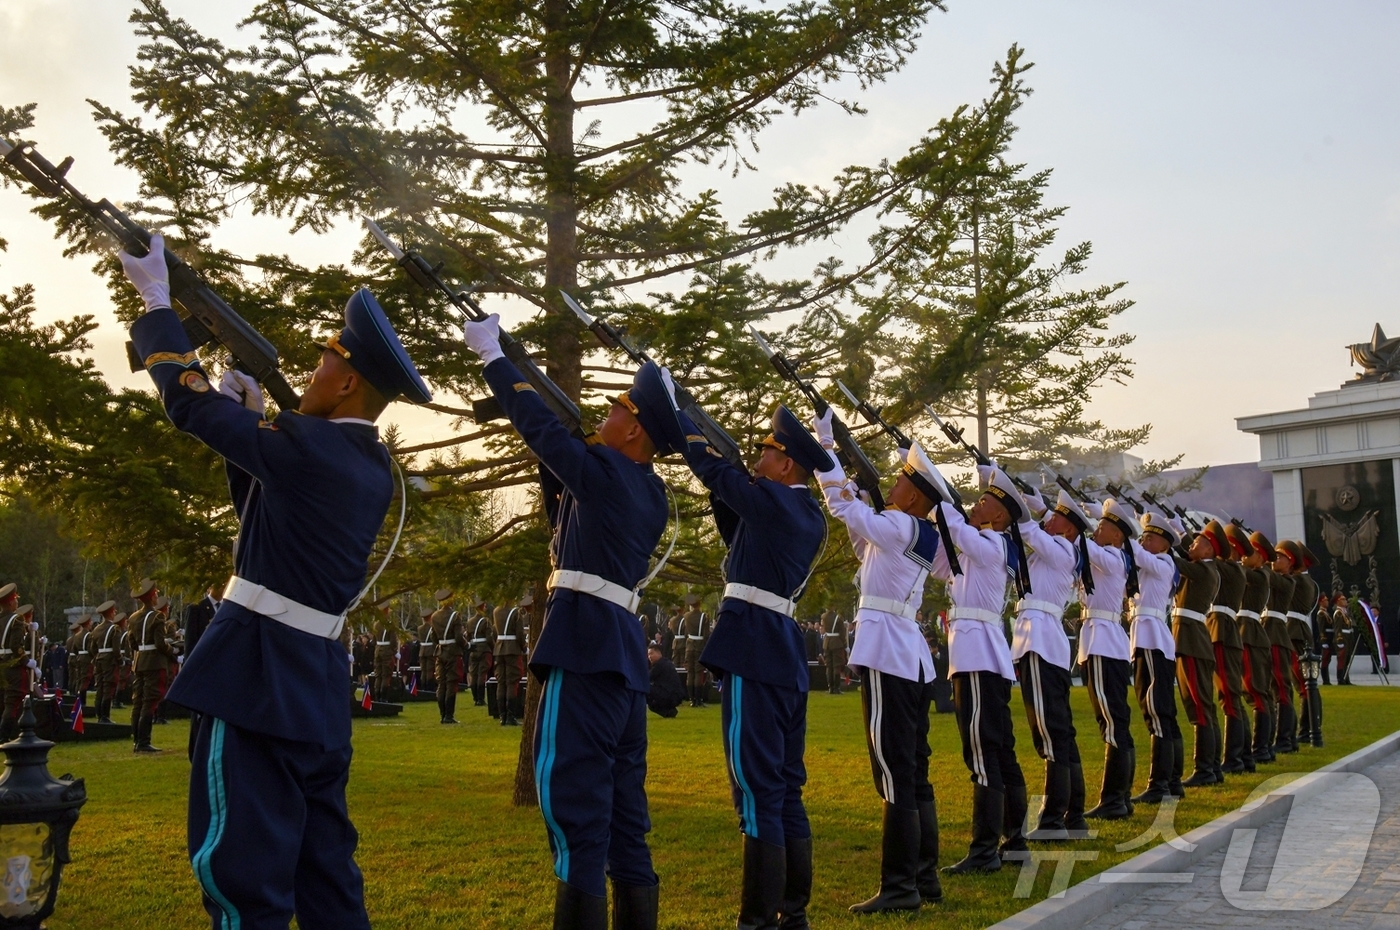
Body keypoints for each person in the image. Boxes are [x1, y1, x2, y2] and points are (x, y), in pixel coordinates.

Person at [122, 234, 432, 928]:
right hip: (313, 687)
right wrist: (259, 417)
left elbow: (191, 407)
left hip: (257, 678)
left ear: (348, 382)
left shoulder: (309, 446)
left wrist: (154, 303)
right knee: (326, 883)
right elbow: (278, 519)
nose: (314, 372)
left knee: (241, 879)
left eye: (325, 363)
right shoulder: (367, 467)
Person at [462, 308, 684, 930]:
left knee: (574, 822)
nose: (606, 415)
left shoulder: (612, 473)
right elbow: (567, 509)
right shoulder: (649, 490)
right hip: (617, 658)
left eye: (619, 410)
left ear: (636, 433)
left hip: (585, 652)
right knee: (623, 827)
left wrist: (494, 359)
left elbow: (544, 434)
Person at [677, 402, 829, 930]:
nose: (759, 457)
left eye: (766, 451)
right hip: (779, 650)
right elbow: (737, 520)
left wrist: (688, 431)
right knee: (785, 785)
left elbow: (718, 476)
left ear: (785, 466)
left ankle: (757, 920)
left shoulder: (776, 502)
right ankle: (794, 913)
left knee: (754, 785)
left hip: (752, 646)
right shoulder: (807, 513)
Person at [816, 438, 949, 911]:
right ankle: (924, 878)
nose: (893, 486)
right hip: (908, 654)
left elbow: (836, 505)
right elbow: (861, 543)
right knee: (914, 768)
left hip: (887, 653)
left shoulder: (896, 525)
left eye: (900, 483)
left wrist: (826, 451)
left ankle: (899, 888)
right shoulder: (919, 533)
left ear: (915, 497)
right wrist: (861, 493)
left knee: (892, 771)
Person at [934, 464, 1031, 872]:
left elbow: (954, 528)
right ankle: (1014, 841)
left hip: (977, 658)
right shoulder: (980, 546)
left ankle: (984, 850)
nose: (977, 504)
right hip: (979, 657)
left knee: (982, 752)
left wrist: (933, 488)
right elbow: (941, 561)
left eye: (985, 501)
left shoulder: (991, 545)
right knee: (999, 750)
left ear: (1000, 516)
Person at [1070, 498, 1139, 821]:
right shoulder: (1113, 556)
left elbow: (1081, 541)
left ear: (1117, 537)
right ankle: (1121, 798)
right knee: (1117, 722)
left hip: (1101, 643)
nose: (1096, 531)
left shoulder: (1112, 556)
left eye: (1103, 527)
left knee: (1112, 723)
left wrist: (1070, 519)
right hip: (1105, 642)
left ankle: (1114, 799)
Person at [1129, 512, 1185, 802]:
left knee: (1157, 711)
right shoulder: (1155, 563)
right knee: (1163, 711)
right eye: (1143, 535)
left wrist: (1120, 527)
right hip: (1147, 638)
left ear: (1164, 545)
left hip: (1152, 640)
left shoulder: (1163, 563)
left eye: (1150, 537)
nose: (1143, 540)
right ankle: (1173, 781)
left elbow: (1137, 554)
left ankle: (1159, 784)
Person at [1172, 523, 1222, 786]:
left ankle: (1205, 769)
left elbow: (1175, 559)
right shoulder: (1206, 568)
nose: (1191, 544)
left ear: (1210, 548)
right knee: (1203, 705)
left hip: (1190, 639)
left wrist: (1162, 538)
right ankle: (1212, 767)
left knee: (1199, 705)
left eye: (1197, 542)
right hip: (1191, 638)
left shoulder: (1203, 569)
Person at [1206, 522, 1251, 775]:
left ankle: (1234, 758)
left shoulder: (1230, 569)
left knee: (1229, 697)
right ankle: (1241, 756)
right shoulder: (1230, 569)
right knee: (1230, 696)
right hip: (1220, 630)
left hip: (1222, 632)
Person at [1279, 540, 1321, 746]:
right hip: (1294, 632)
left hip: (1295, 634)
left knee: (1304, 686)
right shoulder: (1303, 581)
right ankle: (1308, 729)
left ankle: (1307, 730)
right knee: (1303, 685)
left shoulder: (1301, 581)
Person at [128, 578, 174, 753]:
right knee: (150, 701)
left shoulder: (133, 617)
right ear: (153, 596)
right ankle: (144, 741)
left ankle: (136, 740)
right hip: (154, 662)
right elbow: (160, 643)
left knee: (138, 701)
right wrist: (172, 651)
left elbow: (132, 643)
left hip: (139, 661)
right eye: (156, 594)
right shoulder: (157, 616)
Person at [0, 600, 35, 741]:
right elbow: (16, 646)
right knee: (13, 701)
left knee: (2, 702)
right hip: (12, 666)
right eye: (15, 599)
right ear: (9, 602)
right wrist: (27, 662)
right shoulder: (17, 619)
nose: (16, 602)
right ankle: (3, 737)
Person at [493, 600, 526, 726]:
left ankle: (502, 715)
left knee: (501, 682)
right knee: (512, 681)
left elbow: (495, 632)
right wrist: (524, 647)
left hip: (499, 649)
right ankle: (510, 716)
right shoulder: (515, 612)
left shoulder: (496, 611)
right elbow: (519, 634)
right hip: (512, 649)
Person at [90, 600, 121, 724]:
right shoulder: (115, 628)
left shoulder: (96, 629)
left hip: (99, 659)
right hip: (109, 660)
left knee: (100, 687)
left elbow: (92, 649)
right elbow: (116, 649)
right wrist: (120, 660)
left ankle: (99, 714)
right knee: (108, 687)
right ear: (112, 612)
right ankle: (105, 716)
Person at [679, 595, 710, 708]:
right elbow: (706, 634)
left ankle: (691, 699)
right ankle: (698, 699)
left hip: (689, 645)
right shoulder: (704, 616)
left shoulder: (686, 616)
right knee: (698, 672)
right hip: (699, 645)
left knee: (690, 672)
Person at [466, 598, 496, 707]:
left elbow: (468, 637)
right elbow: (489, 638)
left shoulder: (469, 622)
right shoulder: (486, 621)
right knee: (482, 675)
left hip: (474, 650)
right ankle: (480, 699)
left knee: (474, 674)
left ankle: (475, 698)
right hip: (484, 650)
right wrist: (494, 648)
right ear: (483, 607)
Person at [646, 643, 685, 719]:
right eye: (648, 655)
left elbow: (647, 678)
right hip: (674, 695)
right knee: (651, 703)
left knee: (644, 688)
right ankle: (669, 712)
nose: (649, 657)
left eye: (651, 654)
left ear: (658, 653)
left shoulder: (660, 665)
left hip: (670, 695)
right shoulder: (665, 663)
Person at [370, 603, 399, 701]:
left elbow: (373, 641)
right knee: (386, 675)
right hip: (387, 651)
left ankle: (377, 696)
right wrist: (395, 651)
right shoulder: (389, 624)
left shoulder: (376, 624)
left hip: (377, 650)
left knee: (378, 675)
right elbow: (393, 641)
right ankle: (383, 698)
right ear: (386, 611)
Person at [821, 609, 849, 696]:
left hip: (827, 642)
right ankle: (836, 688)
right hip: (836, 643)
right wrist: (845, 645)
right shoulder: (838, 618)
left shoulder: (824, 616)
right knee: (837, 666)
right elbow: (842, 633)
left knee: (829, 666)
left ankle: (830, 688)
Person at [1333, 594, 1357, 685]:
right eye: (1343, 599)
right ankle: (1340, 679)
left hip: (1348, 638)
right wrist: (1339, 640)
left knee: (1347, 659)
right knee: (1342, 660)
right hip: (1343, 638)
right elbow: (1337, 628)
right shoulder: (1338, 613)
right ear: (1338, 601)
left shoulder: (1345, 612)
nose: (1345, 600)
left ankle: (1346, 678)